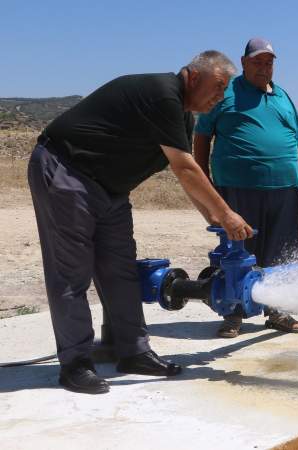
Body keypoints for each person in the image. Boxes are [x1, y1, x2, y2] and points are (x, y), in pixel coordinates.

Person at [28, 50, 254, 394]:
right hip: (67, 171)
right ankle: (75, 364)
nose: (220, 96)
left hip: (111, 190)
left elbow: (186, 176)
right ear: (194, 77)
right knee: (71, 273)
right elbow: (185, 168)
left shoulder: (183, 117)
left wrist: (213, 219)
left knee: (121, 271)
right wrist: (226, 214)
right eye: (219, 86)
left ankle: (134, 352)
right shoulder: (163, 94)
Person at [194, 38, 298, 338]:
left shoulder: (283, 96)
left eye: (269, 62)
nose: (263, 67)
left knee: (283, 253)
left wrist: (291, 173)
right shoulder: (226, 92)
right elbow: (202, 136)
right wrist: (204, 182)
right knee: (239, 250)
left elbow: (296, 141)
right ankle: (234, 312)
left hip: (285, 190)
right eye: (257, 62)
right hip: (237, 188)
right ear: (243, 63)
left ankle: (279, 310)